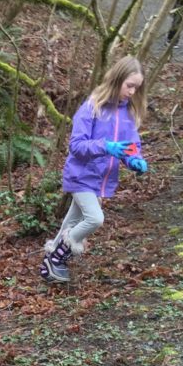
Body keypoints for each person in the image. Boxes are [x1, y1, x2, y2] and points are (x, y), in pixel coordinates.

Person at [40, 56, 149, 284]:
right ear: (117, 79)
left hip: (99, 179)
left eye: (136, 88)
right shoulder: (93, 106)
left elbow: (130, 148)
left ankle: (49, 264)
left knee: (71, 221)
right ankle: (58, 259)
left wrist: (135, 161)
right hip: (81, 175)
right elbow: (76, 145)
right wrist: (105, 146)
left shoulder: (128, 113)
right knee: (95, 219)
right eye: (129, 85)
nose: (131, 92)